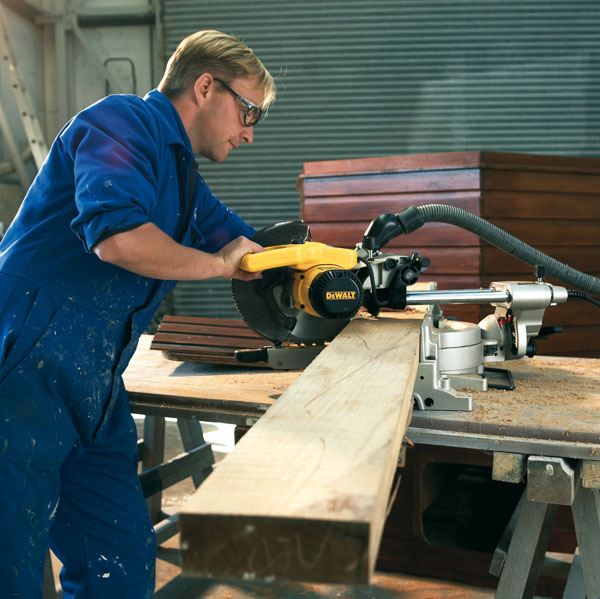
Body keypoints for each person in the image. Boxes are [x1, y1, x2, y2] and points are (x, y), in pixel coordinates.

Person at [0, 30, 274, 598]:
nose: (249, 132)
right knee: (13, 565)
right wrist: (220, 266)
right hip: (23, 371)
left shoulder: (181, 175)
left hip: (94, 386)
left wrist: (325, 270)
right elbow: (118, 239)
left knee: (119, 556)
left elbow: (244, 244)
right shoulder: (120, 122)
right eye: (248, 110)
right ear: (205, 87)